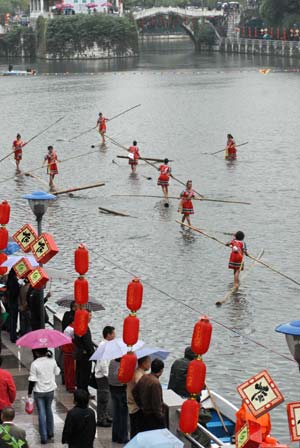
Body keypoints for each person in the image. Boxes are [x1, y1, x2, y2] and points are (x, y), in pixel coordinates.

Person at [28, 348, 60, 444]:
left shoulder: (34, 364)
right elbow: (57, 372)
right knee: (48, 409)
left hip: (39, 391)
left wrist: (29, 392)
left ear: (36, 352)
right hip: (50, 390)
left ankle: (44, 437)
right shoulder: (52, 360)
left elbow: (32, 380)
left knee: (41, 412)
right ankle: (50, 432)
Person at [132, 358, 166, 432]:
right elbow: (156, 403)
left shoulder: (144, 377)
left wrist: (141, 405)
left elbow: (134, 392)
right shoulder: (155, 383)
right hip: (153, 416)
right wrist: (161, 417)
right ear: (161, 370)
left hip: (144, 413)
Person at [95, 325, 115, 427]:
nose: (115, 335)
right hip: (102, 376)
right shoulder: (104, 346)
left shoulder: (107, 345)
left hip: (104, 375)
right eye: (113, 333)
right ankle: (101, 418)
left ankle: (105, 415)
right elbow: (103, 363)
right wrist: (108, 375)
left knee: (106, 397)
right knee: (103, 397)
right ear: (108, 335)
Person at [127, 355, 151, 439]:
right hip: (137, 407)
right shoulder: (139, 375)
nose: (150, 364)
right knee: (137, 431)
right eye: (149, 362)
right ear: (143, 363)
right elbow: (141, 389)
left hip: (133, 405)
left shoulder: (136, 372)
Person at [108, 358, 129, 444]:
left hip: (113, 390)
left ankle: (115, 436)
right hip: (122, 390)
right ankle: (123, 437)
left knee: (116, 414)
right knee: (123, 415)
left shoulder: (112, 362)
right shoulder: (123, 364)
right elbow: (125, 379)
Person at [73, 311, 94, 393]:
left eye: (91, 315)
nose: (90, 317)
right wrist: (93, 355)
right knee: (84, 376)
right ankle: (84, 393)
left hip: (79, 354)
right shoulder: (84, 328)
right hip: (85, 356)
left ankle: (80, 392)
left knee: (80, 375)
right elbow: (88, 343)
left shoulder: (78, 326)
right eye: (89, 315)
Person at [6, 269, 20, 343]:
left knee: (12, 319)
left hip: (10, 302)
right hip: (14, 302)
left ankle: (11, 333)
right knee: (14, 320)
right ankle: (13, 336)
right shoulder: (14, 281)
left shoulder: (9, 280)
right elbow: (15, 293)